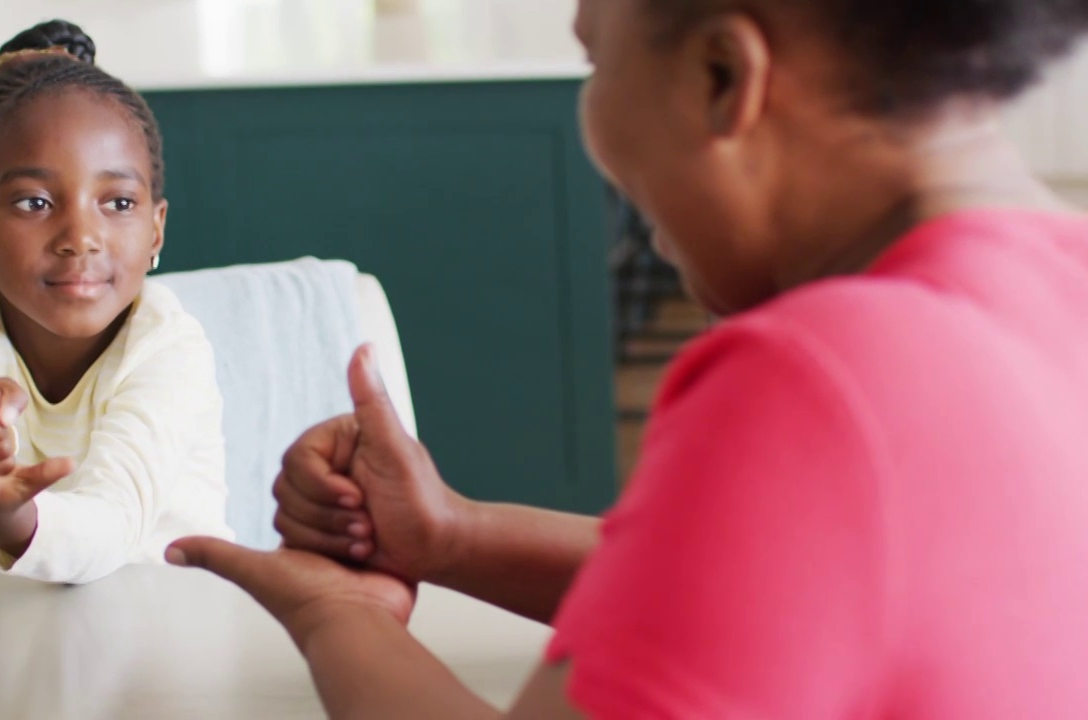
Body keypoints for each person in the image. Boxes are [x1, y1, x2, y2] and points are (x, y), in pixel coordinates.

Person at [166, 0, 1088, 716]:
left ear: (723, 76)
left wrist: (339, 616)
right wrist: (453, 536)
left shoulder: (817, 376)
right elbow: (777, 593)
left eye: (595, 59)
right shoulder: (1061, 282)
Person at [0, 20, 231, 585]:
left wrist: (12, 519)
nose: (80, 236)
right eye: (34, 202)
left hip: (175, 633)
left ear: (156, 231)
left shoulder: (169, 347)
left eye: (119, 202)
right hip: (9, 629)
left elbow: (114, 523)